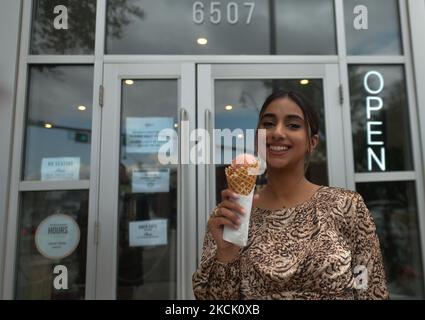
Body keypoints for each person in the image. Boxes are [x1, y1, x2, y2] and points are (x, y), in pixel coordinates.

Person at [192, 91, 389, 300]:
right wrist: (226, 255)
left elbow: (371, 288)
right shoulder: (230, 216)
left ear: (312, 142)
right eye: (268, 124)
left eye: (293, 125)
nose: (277, 132)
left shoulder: (347, 206)